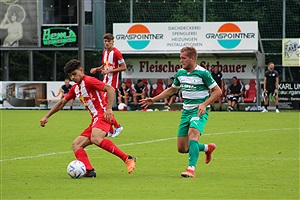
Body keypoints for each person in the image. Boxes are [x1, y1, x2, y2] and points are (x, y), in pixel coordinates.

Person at [40, 59, 136, 178]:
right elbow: (62, 102)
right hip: (95, 119)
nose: (72, 77)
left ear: (81, 70)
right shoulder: (75, 88)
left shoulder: (89, 81)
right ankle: (89, 171)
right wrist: (46, 116)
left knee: (96, 138)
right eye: (70, 76)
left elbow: (110, 89)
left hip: (103, 115)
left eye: (74, 74)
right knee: (76, 145)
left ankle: (127, 158)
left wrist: (109, 109)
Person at [140, 46, 222, 178]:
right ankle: (207, 148)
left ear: (192, 58)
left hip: (199, 111)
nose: (181, 61)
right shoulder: (180, 73)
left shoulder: (203, 73)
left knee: (193, 134)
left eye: (183, 58)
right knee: (182, 148)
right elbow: (172, 90)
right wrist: (153, 99)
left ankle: (191, 169)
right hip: (186, 112)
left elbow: (218, 91)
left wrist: (204, 104)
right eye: (180, 58)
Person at [90, 33, 126, 137]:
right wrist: (97, 69)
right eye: (105, 41)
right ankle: (110, 129)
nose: (107, 43)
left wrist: (109, 71)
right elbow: (104, 65)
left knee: (104, 106)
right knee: (103, 106)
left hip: (112, 83)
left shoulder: (117, 53)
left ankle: (117, 126)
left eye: (108, 41)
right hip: (105, 82)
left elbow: (124, 67)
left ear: (112, 41)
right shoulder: (104, 52)